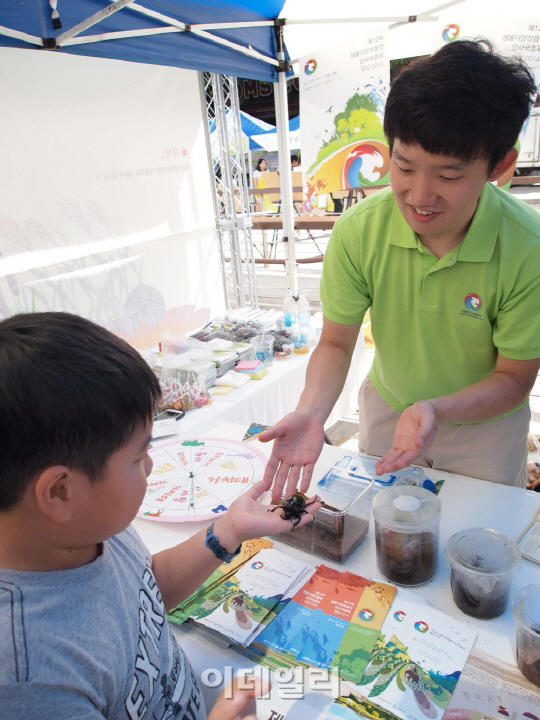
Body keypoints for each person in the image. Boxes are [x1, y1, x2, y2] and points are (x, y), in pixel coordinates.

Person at [0, 312, 321, 719]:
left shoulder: (89, 529)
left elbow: (145, 591)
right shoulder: (29, 679)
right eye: (138, 456)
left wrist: (229, 529)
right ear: (61, 492)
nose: (150, 466)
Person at [260, 40, 540, 498]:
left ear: (501, 165)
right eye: (404, 166)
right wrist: (312, 414)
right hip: (389, 410)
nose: (419, 195)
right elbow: (335, 341)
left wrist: (436, 408)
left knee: (474, 547)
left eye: (449, 176)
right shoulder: (359, 231)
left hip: (484, 431)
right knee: (383, 535)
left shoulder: (529, 248)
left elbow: (514, 378)